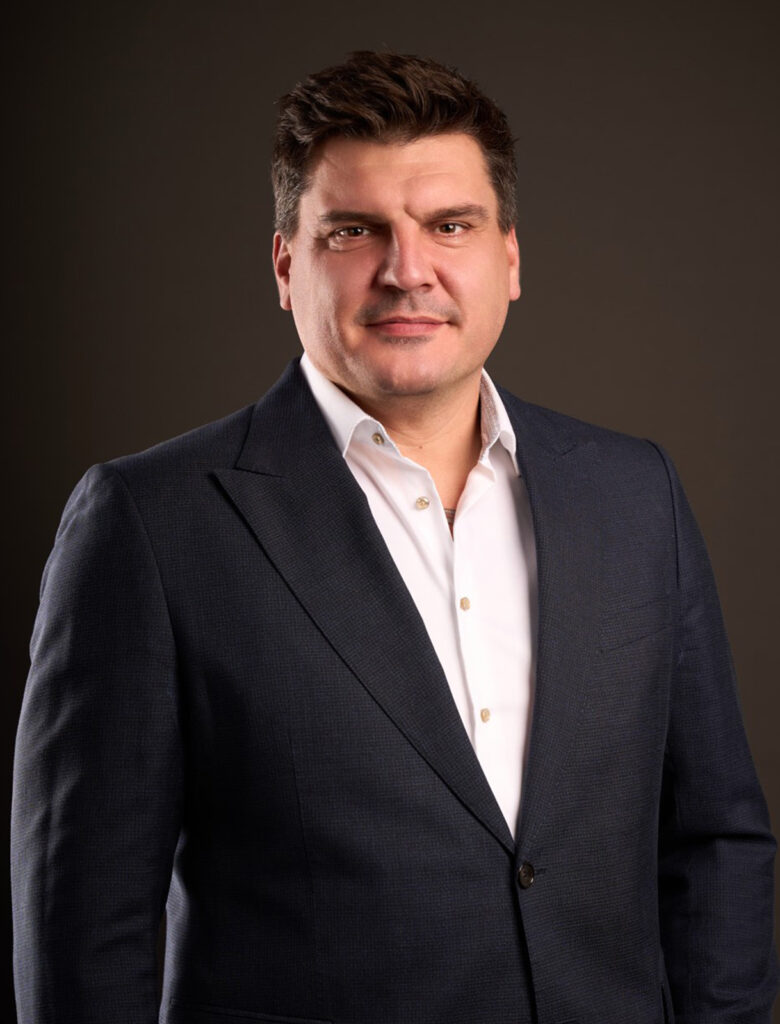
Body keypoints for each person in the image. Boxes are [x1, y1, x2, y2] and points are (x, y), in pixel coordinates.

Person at [11, 50, 777, 1024]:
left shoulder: (635, 492)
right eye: (355, 230)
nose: (407, 269)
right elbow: (86, 931)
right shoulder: (149, 524)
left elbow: (714, 840)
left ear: (508, 257)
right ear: (287, 264)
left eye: (448, 225)